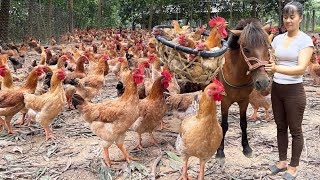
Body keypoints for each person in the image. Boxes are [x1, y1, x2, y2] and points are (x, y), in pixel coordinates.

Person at [265, 1, 314, 180]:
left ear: (300, 18)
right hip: (277, 89)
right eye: (285, 17)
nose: (288, 20)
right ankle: (282, 161)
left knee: (295, 130)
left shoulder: (305, 41)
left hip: (294, 91)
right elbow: (272, 60)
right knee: (280, 127)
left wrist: (276, 69)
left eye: (292, 17)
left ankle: (293, 166)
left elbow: (301, 68)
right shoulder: (277, 39)